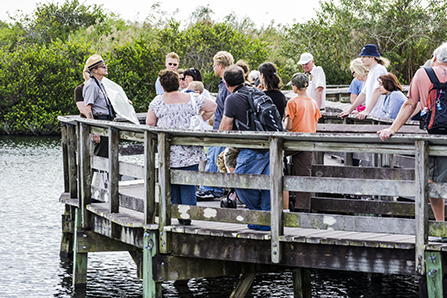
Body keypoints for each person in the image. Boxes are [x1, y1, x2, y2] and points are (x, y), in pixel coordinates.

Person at [378, 42, 447, 233]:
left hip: (438, 134)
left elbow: (410, 103)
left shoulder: (423, 73)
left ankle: (440, 226)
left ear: (434, 58)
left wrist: (392, 129)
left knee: (434, 181)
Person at [146, 70, 217, 225]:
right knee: (188, 185)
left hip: (168, 151)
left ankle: (172, 216)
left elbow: (150, 123)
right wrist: (201, 118)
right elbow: (213, 106)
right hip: (190, 149)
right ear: (178, 84)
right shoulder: (193, 98)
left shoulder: (158, 102)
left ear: (163, 87)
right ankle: (187, 219)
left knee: (171, 186)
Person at [219, 65, 271, 231]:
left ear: (226, 84)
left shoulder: (232, 99)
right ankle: (266, 218)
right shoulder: (257, 92)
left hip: (251, 148)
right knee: (265, 184)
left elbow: (225, 128)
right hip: (270, 146)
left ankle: (261, 216)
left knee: (240, 181)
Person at [196, 51, 234, 200]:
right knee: (216, 158)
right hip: (218, 125)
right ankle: (215, 189)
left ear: (220, 66)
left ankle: (209, 189)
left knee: (213, 158)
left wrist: (221, 127)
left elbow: (226, 108)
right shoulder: (223, 84)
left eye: (214, 65)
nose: (213, 68)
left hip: (221, 128)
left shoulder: (226, 85)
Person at [284, 73, 321, 210]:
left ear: (295, 87)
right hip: (308, 140)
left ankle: (282, 201)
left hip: (294, 140)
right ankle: (303, 207)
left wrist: (284, 122)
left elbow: (288, 126)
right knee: (304, 174)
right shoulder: (313, 103)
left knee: (271, 156)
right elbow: (315, 125)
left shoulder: (292, 102)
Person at [339, 44, 389, 119]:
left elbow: (377, 90)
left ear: (372, 57)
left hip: (379, 115)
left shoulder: (379, 69)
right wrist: (349, 110)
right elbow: (363, 94)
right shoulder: (372, 71)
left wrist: (367, 111)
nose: (361, 59)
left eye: (364, 57)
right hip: (372, 115)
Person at [83, 54, 115, 158]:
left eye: (105, 65)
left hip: (106, 122)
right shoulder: (92, 84)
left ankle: (104, 175)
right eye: (103, 66)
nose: (106, 67)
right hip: (99, 122)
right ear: (95, 70)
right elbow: (88, 107)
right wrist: (95, 131)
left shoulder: (100, 84)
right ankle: (96, 175)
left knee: (106, 154)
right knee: (100, 156)